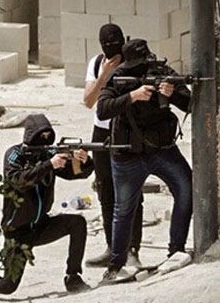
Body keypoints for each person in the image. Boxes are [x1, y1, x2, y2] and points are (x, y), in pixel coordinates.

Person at [0, 114, 95, 294]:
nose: (45, 141)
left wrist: (84, 162)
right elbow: (19, 181)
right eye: (41, 136)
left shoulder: (49, 154)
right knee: (7, 286)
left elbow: (75, 173)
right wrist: (48, 165)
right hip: (18, 232)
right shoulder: (14, 155)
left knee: (77, 223)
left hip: (41, 225)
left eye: (48, 137)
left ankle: (73, 276)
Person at [96, 39, 193, 282]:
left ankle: (176, 250)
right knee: (123, 210)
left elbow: (190, 103)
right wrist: (133, 96)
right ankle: (116, 265)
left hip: (161, 150)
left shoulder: (162, 72)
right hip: (127, 154)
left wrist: (172, 94)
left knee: (186, 189)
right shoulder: (119, 76)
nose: (143, 69)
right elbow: (102, 109)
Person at [82, 23, 144, 268]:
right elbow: (88, 101)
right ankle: (112, 247)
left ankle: (132, 249)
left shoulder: (133, 62)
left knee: (131, 191)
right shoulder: (97, 63)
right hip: (102, 132)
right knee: (105, 191)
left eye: (114, 44)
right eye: (106, 45)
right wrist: (105, 75)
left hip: (127, 131)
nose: (110, 49)